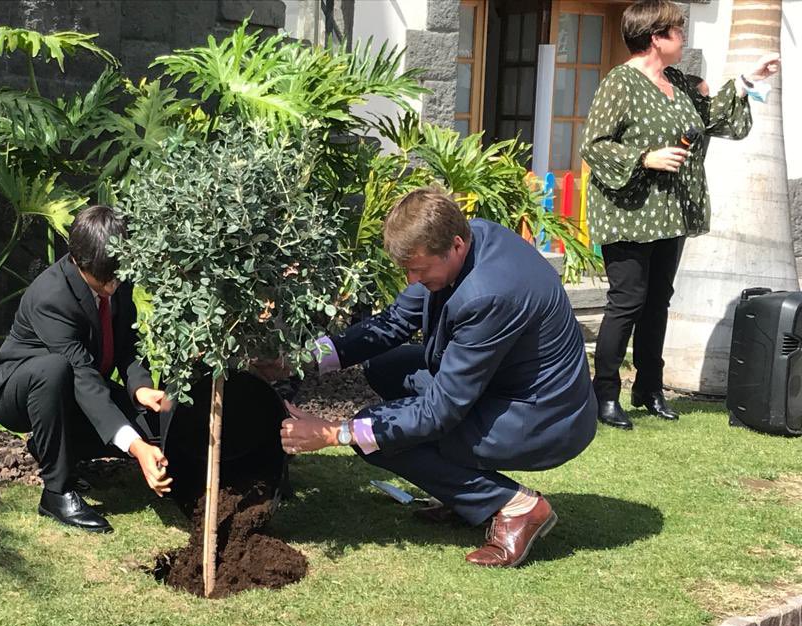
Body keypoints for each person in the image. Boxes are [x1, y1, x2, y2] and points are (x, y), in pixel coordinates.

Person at [279, 187, 597, 568]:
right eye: (407, 269)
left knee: (376, 437)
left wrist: (336, 432)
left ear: (457, 245)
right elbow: (395, 321)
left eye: (419, 270)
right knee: (387, 367)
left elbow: (437, 414)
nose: (412, 280)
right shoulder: (459, 238)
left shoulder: (488, 294)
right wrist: (302, 360)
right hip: (506, 387)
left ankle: (518, 506)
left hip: (544, 416)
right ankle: (462, 495)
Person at [580, 0, 779, 430]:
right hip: (629, 212)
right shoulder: (621, 83)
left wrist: (748, 80)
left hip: (670, 213)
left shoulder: (676, 82)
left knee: (657, 303)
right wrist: (645, 157)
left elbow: (711, 119)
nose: (683, 35)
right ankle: (605, 394)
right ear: (655, 37)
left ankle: (649, 388)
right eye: (677, 29)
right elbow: (593, 145)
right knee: (627, 302)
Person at [0, 205, 171, 533]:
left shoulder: (113, 274)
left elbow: (127, 344)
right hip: (18, 388)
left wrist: (140, 387)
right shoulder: (51, 296)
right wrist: (136, 448)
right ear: (79, 262)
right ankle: (56, 492)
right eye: (104, 279)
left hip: (75, 387)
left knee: (156, 426)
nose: (112, 286)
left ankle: (51, 447)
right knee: (54, 369)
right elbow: (80, 374)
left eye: (117, 275)